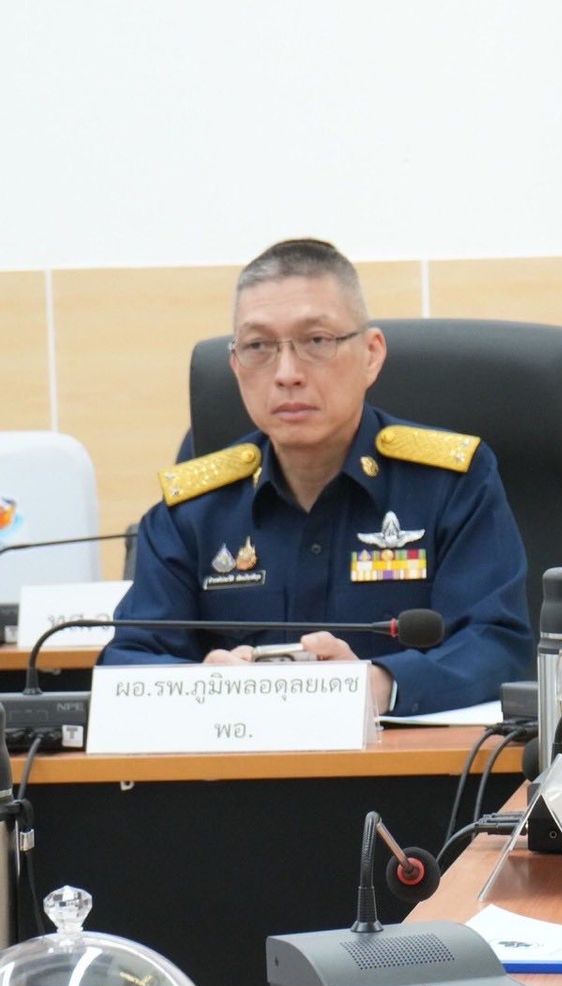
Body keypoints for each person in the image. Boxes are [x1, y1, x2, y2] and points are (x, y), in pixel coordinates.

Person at [101, 239, 533, 715]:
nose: (286, 373)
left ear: (371, 354)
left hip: (402, 758)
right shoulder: (195, 509)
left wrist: (380, 685)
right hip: (240, 754)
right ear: (235, 365)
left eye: (317, 341)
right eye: (258, 346)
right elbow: (126, 661)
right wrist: (202, 684)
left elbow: (497, 645)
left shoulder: (449, 483)